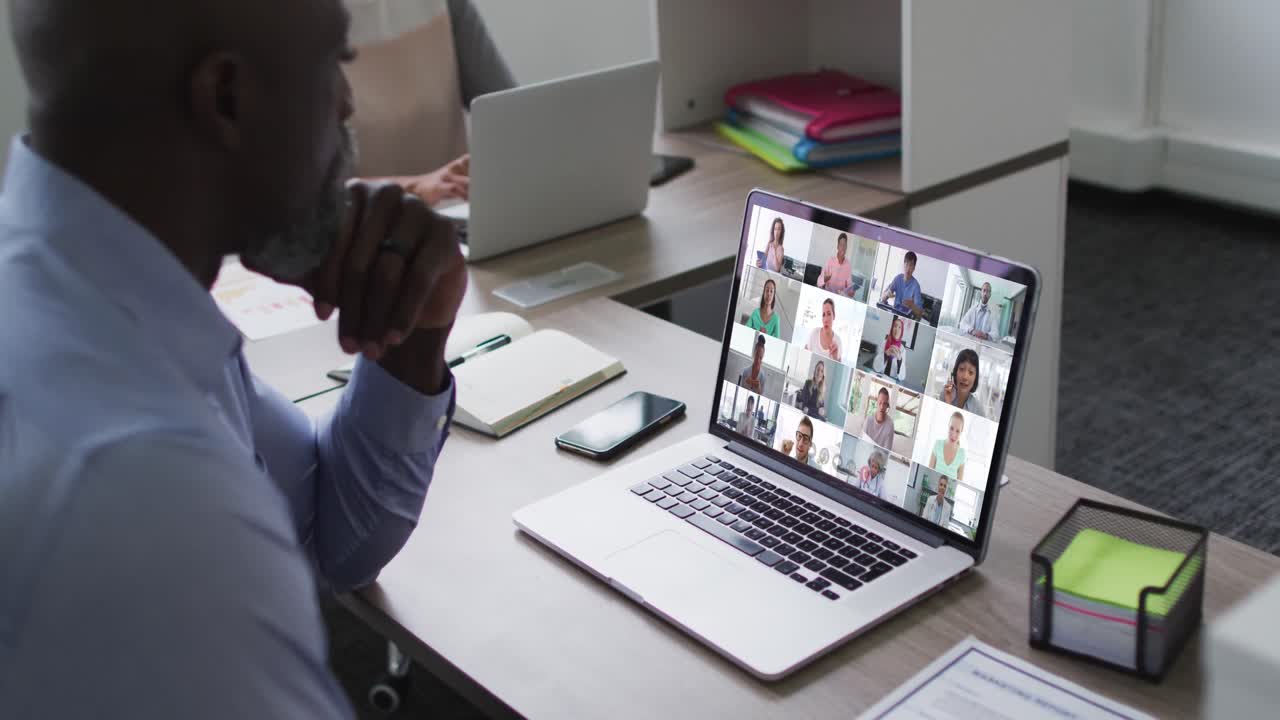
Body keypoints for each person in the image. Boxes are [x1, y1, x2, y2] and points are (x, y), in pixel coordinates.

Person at [0, 1, 468, 716]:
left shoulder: (98, 294)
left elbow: (327, 542)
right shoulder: (149, 498)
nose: (347, 104)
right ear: (226, 97)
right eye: (335, 62)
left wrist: (413, 333)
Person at [345, 0, 514, 206]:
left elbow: (511, 116)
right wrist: (414, 186)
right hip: (361, 225)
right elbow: (315, 193)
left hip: (459, 214)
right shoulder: (311, 23)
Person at [880, 251, 926, 320]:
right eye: (906, 264)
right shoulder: (898, 278)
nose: (908, 268)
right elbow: (882, 298)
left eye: (911, 265)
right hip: (894, 315)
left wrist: (912, 305)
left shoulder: (916, 286)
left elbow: (920, 314)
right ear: (903, 265)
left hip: (906, 320)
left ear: (914, 268)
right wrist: (887, 294)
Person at [942, 348, 987, 418]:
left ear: (975, 378)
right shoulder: (944, 394)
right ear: (955, 372)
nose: (965, 377)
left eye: (971, 372)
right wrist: (948, 403)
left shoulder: (978, 409)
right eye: (961, 369)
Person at [929, 412, 968, 482]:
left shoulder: (962, 454)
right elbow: (929, 472)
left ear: (961, 432)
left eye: (957, 431)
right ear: (948, 426)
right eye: (951, 428)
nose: (953, 434)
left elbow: (959, 483)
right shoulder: (937, 444)